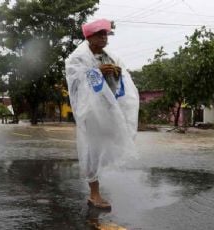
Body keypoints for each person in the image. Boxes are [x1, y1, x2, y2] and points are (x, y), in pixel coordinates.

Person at [65, 19, 139, 209]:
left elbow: (123, 81)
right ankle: (94, 194)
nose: (104, 38)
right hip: (90, 111)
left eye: (106, 34)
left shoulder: (112, 57)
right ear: (89, 37)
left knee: (107, 146)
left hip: (107, 109)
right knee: (91, 149)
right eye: (100, 34)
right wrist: (96, 71)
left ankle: (96, 187)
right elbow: (75, 81)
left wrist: (117, 73)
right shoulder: (77, 58)